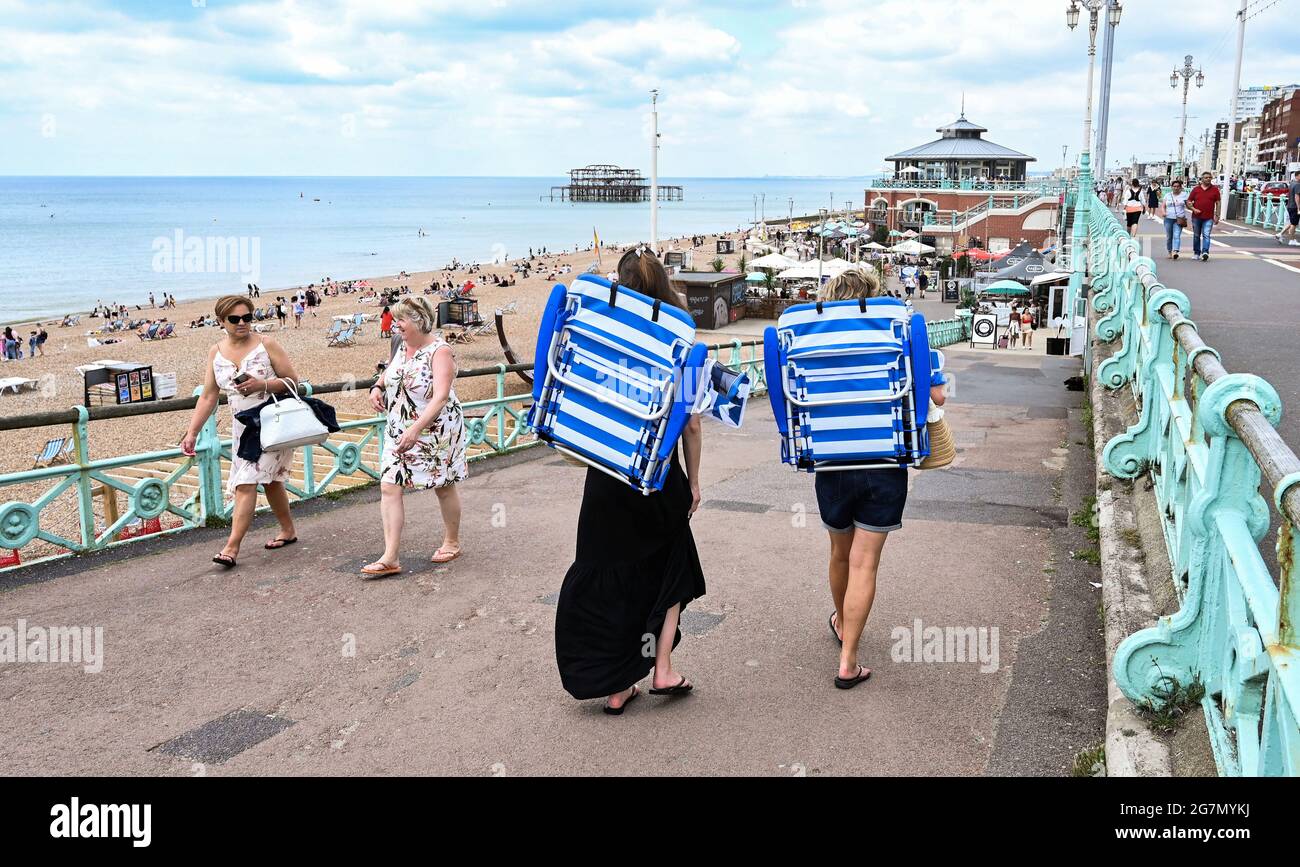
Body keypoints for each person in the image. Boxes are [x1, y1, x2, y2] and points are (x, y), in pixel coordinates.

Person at [555, 247, 705, 715]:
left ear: (619, 285)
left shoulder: (600, 332)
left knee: (609, 573)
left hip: (608, 476)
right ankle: (662, 669)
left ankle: (617, 684)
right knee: (671, 573)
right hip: (658, 478)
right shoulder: (681, 335)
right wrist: (694, 482)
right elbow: (693, 423)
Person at [818, 269, 947, 689]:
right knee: (864, 562)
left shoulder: (813, 342)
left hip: (831, 462)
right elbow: (933, 394)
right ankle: (848, 660)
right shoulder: (897, 334)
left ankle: (841, 622)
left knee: (840, 556)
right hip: (883, 462)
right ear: (872, 299)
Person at [181, 296, 300, 569]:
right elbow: (209, 396)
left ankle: (231, 547)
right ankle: (288, 530)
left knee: (246, 482)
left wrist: (263, 384)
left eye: (247, 317)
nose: (243, 323)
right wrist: (192, 433)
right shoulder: (216, 352)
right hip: (242, 427)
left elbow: (293, 381)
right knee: (270, 481)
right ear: (221, 321)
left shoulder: (266, 344)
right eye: (235, 319)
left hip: (271, 421)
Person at [362, 297, 467, 578]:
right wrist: (376, 386)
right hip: (398, 425)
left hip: (435, 427)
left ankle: (452, 541)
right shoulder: (401, 344)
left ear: (419, 321)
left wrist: (416, 428)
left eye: (401, 320)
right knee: (389, 485)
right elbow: (389, 371)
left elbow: (442, 396)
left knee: (442, 485)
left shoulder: (440, 350)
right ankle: (390, 556)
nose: (396, 325)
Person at [1187, 172, 1221, 262]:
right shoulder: (1196, 189)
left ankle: (1205, 252)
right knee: (1196, 235)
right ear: (1202, 179)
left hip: (1209, 217)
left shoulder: (1215, 189)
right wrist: (1193, 209)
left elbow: (1218, 203)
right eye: (1206, 177)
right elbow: (1189, 201)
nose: (1208, 179)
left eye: (1210, 177)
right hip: (1196, 216)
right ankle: (1196, 253)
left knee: (1206, 234)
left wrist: (1217, 215)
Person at [1159, 179, 1190, 260]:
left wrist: (1194, 209)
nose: (1176, 188)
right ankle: (1169, 251)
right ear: (1171, 187)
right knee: (1169, 236)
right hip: (1168, 218)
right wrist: (1163, 212)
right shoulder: (1167, 195)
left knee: (1177, 235)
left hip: (1179, 219)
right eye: (1174, 186)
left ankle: (1175, 251)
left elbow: (1188, 205)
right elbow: (1163, 206)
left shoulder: (1184, 195)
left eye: (1178, 186)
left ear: (1180, 187)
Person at [1276, 170, 1300, 247]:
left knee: (1291, 222)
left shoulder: (1292, 183)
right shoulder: (1297, 185)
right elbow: (1297, 197)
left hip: (1290, 205)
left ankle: (1280, 234)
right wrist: (1298, 208)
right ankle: (1291, 240)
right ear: (1297, 176)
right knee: (1294, 224)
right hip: (1295, 207)